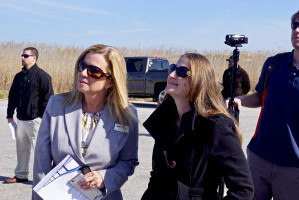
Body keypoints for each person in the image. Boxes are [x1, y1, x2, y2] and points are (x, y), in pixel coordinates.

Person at [32, 44, 139, 200]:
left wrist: (105, 177)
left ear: (110, 81)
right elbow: (41, 161)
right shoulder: (56, 105)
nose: (82, 73)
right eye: (82, 66)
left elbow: (128, 161)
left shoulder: (127, 116)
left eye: (93, 71)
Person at [141, 53, 254, 200]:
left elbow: (243, 190)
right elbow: (157, 179)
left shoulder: (215, 126)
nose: (172, 74)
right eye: (172, 68)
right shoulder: (165, 119)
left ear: (199, 82)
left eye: (182, 72)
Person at [228, 10, 299, 200]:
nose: (297, 30)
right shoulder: (273, 64)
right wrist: (240, 101)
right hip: (259, 157)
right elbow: (260, 97)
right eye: (295, 25)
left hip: (295, 168)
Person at [5, 47, 54, 184]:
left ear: (34, 58)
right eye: (22, 55)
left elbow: (49, 99)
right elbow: (12, 96)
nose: (22, 57)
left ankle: (45, 179)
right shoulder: (18, 76)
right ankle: (21, 174)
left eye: (25, 55)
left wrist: (41, 117)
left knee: (41, 152)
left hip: (36, 120)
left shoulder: (42, 76)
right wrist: (10, 115)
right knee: (21, 148)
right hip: (20, 119)